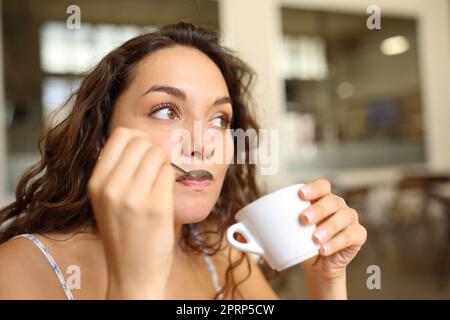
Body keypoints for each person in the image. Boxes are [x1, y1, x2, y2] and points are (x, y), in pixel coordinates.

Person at [0, 22, 367, 299]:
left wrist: (327, 282)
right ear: (101, 139)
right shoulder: (16, 269)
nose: (202, 143)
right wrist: (135, 282)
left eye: (220, 120)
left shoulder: (216, 250)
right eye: (165, 112)